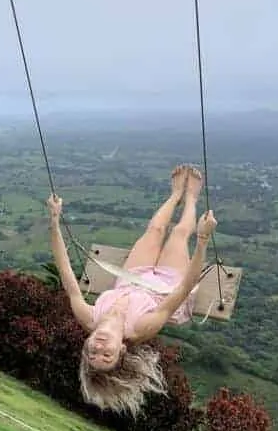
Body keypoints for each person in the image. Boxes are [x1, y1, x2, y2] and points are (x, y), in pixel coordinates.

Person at [47, 164, 217, 415]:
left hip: (132, 279)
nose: (100, 348)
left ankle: (175, 194)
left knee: (155, 230)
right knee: (179, 234)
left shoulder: (88, 317)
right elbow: (182, 290)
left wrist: (54, 221)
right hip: (166, 287)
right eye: (107, 356)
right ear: (122, 350)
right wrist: (202, 240)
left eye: (93, 354)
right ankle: (191, 197)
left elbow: (66, 275)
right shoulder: (141, 327)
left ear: (86, 345)